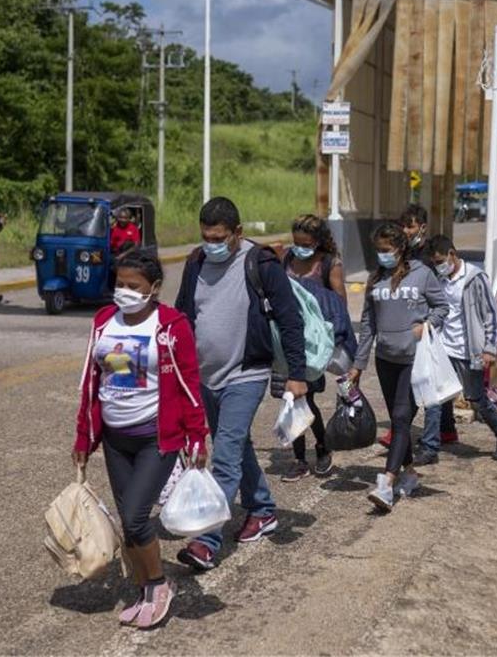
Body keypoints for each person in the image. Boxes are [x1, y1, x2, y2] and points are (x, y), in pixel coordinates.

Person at [72, 249, 209, 630]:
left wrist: (197, 436)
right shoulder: (103, 322)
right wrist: (84, 436)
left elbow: (189, 384)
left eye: (134, 286)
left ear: (155, 288)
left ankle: (160, 586)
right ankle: (145, 588)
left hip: (155, 438)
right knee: (127, 520)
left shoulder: (171, 325)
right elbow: (91, 383)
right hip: (116, 439)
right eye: (120, 284)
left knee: (134, 518)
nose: (125, 292)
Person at [174, 197, 308, 571]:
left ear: (238, 233)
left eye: (219, 237)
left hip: (246, 373)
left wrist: (297, 374)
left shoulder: (260, 263)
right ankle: (263, 508)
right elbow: (183, 316)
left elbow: (289, 319)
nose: (212, 244)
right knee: (235, 444)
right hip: (205, 376)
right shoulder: (195, 263)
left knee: (226, 455)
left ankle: (206, 540)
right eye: (206, 237)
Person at [348, 222, 448, 512]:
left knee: (403, 417)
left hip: (413, 358)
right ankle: (411, 474)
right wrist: (358, 364)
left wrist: (427, 326)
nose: (382, 255)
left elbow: (442, 306)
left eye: (387, 250)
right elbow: (368, 324)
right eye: (378, 250)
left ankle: (387, 483)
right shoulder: (375, 278)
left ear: (401, 249)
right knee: (397, 418)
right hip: (386, 359)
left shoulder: (422, 273)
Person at [426, 235, 497, 462]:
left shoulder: (475, 278)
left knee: (476, 399)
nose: (438, 266)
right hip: (444, 348)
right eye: (434, 263)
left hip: (470, 351)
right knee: (435, 397)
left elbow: (491, 315)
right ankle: (430, 446)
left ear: (452, 255)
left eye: (440, 261)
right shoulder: (439, 279)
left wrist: (489, 349)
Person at [280, 214, 347, 482]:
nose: (299, 247)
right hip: (285, 339)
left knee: (305, 398)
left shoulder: (329, 263)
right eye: (296, 242)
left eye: (305, 243)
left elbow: (338, 303)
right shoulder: (287, 258)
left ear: (317, 242)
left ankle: (321, 446)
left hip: (312, 344)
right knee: (289, 399)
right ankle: (299, 458)